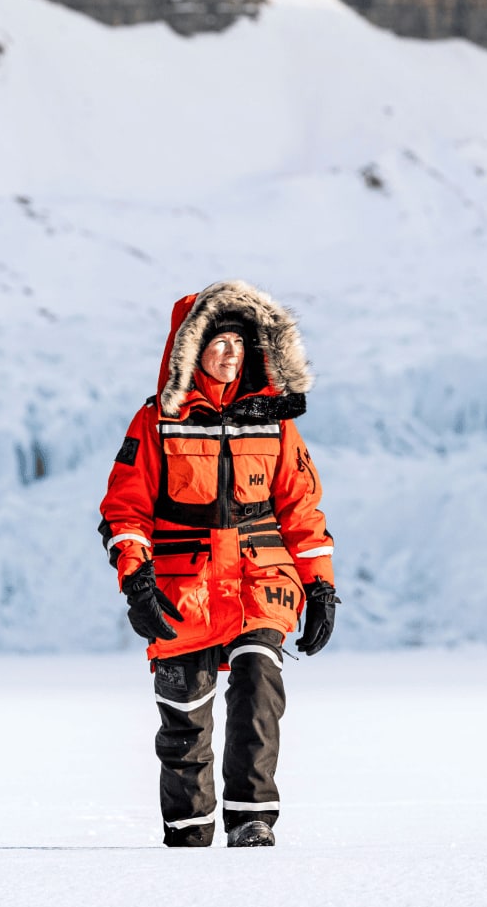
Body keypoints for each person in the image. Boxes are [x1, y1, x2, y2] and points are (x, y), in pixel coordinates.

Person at [98, 280, 339, 848]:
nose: (230, 353)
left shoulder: (276, 422)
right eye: (218, 342)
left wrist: (321, 588)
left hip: (261, 583)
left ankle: (252, 821)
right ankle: (188, 835)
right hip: (183, 589)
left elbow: (301, 509)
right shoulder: (157, 421)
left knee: (259, 688)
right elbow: (125, 509)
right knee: (185, 715)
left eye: (239, 342)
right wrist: (136, 580)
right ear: (191, 349)